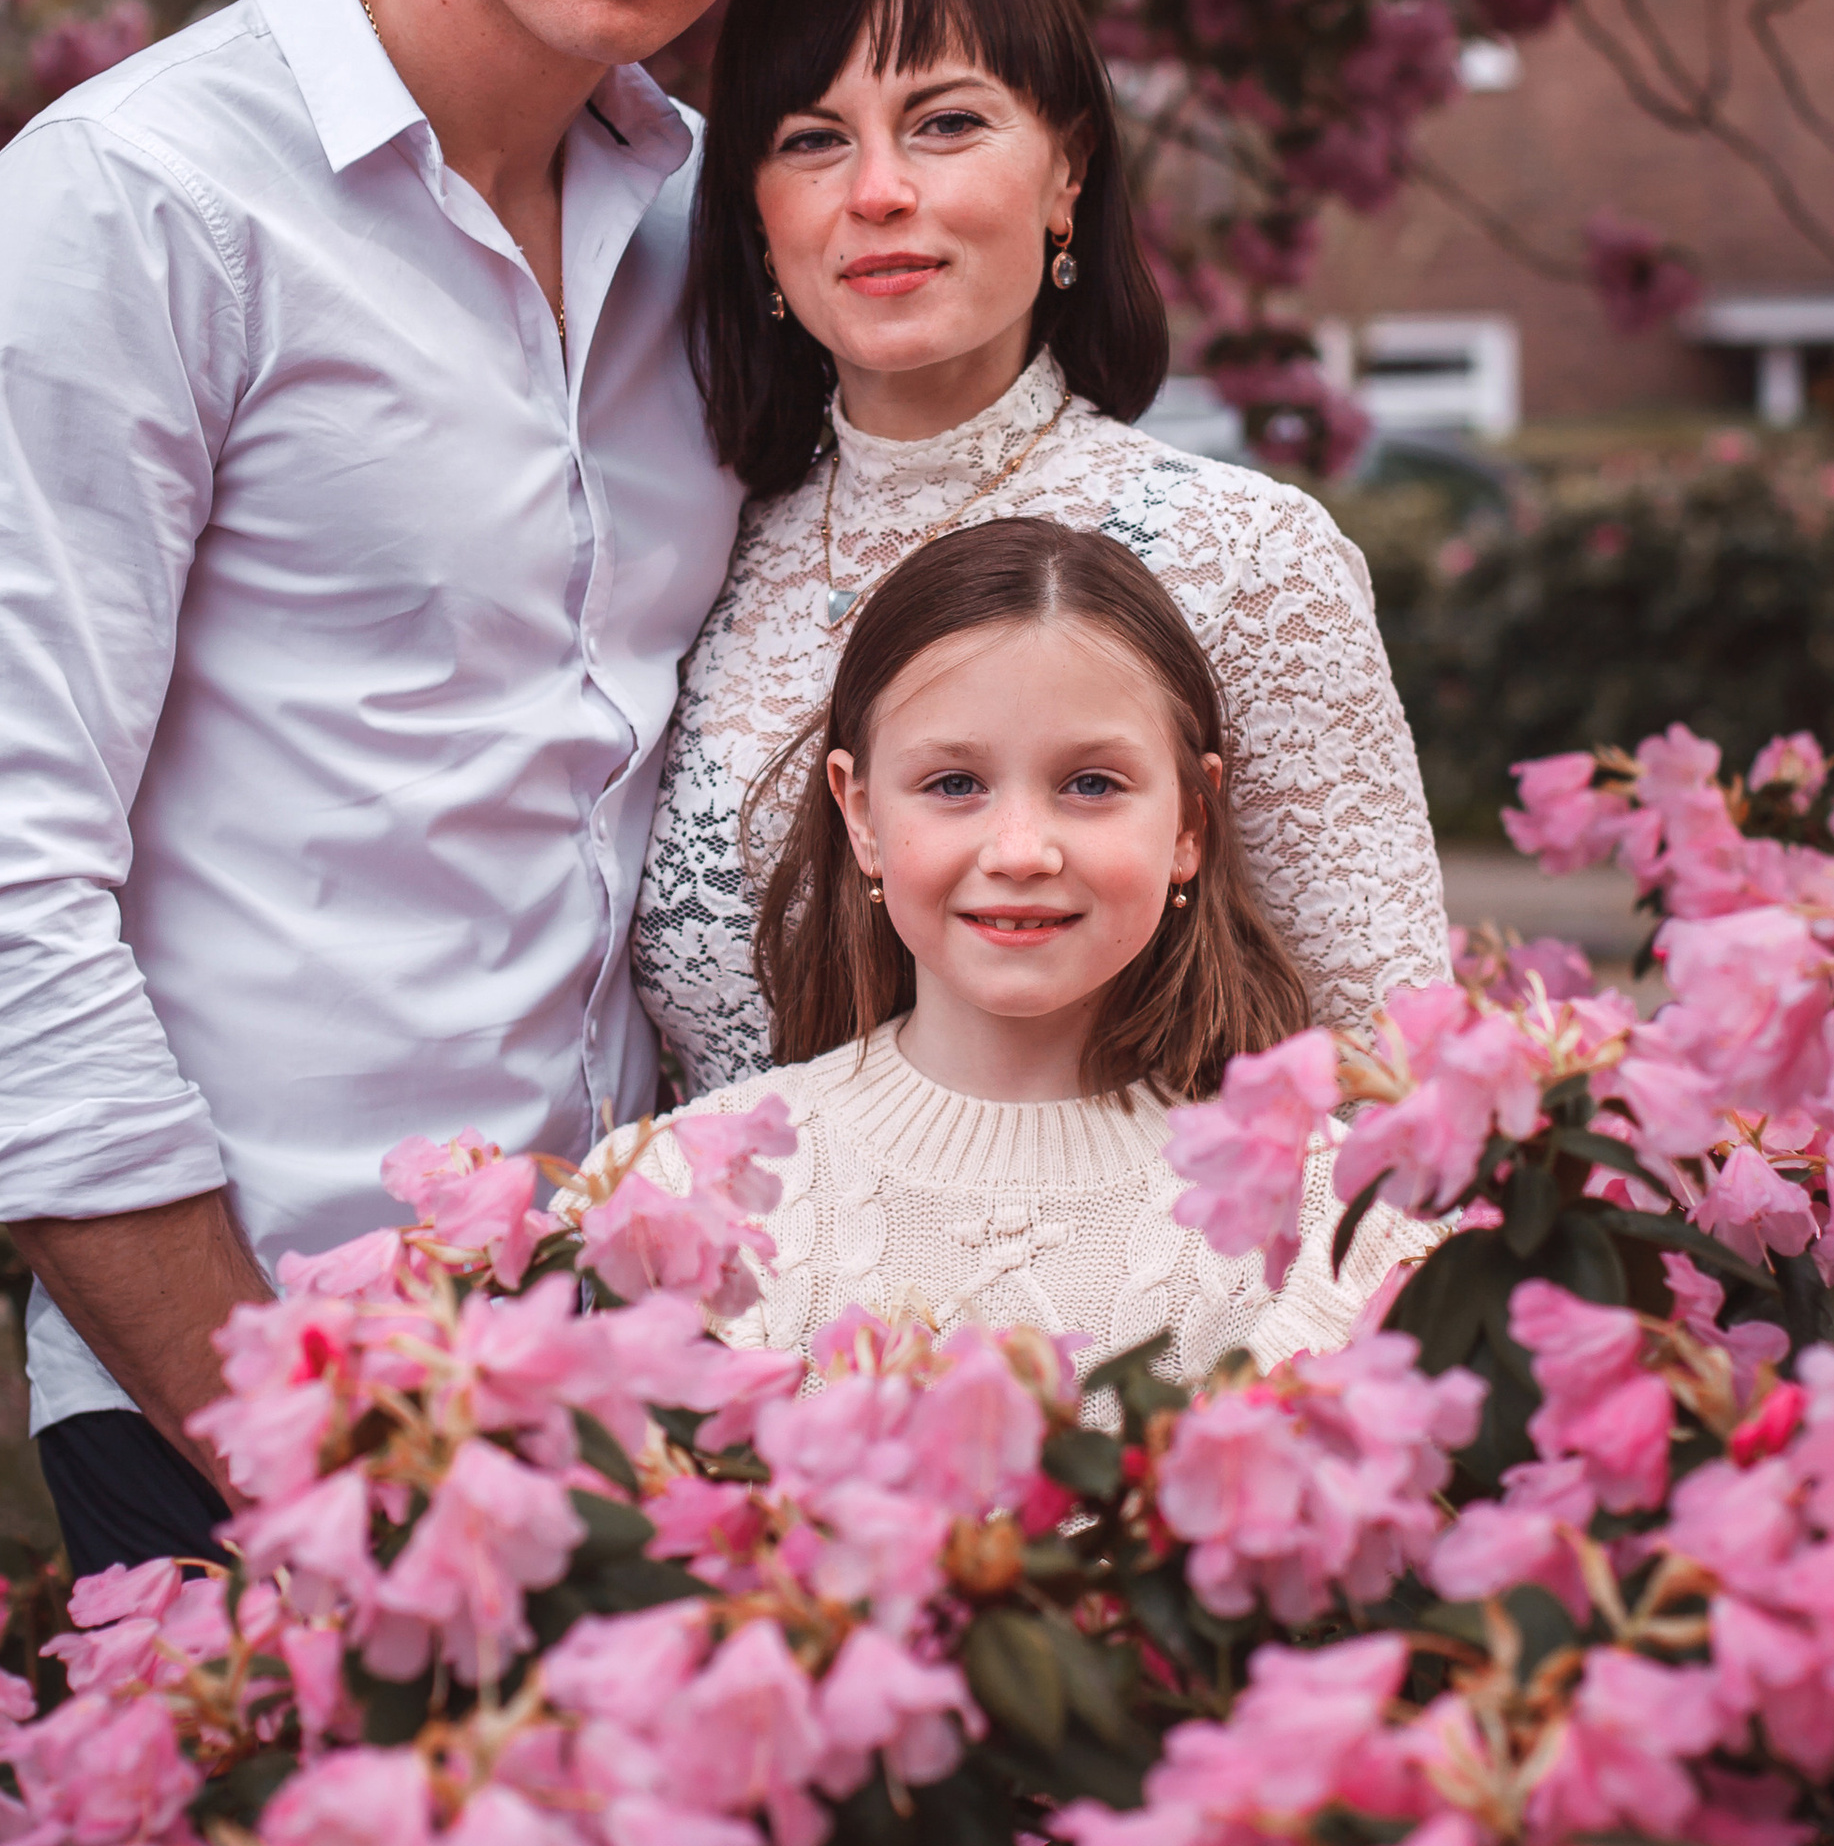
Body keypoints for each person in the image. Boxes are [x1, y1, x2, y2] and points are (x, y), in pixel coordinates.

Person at [0, 0, 830, 1574]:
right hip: (235, 1396)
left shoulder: (718, 231)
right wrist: (294, 1449)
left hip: (627, 1383)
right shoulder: (126, 215)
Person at [632, 0, 1449, 1091]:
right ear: (755, 213)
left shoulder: (1247, 561)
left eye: (946, 123)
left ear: (1067, 171)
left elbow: (1393, 1079)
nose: (877, 190)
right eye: (812, 139)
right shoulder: (694, 553)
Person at [583, 518, 1424, 1367]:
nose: (1021, 853)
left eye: (1091, 784)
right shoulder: (679, 1201)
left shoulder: (1337, 1231)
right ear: (862, 817)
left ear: (1189, 823)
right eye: (955, 784)